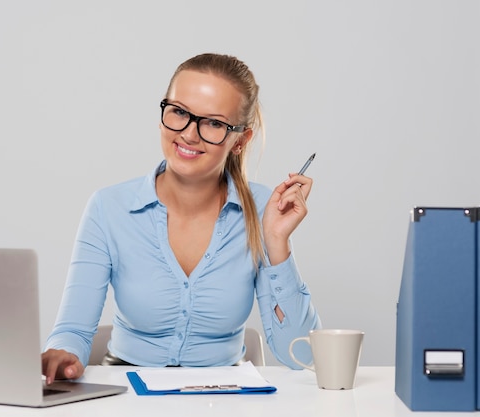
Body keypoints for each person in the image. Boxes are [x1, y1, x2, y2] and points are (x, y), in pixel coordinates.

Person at [42, 52, 321, 384]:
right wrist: (61, 354)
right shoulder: (109, 207)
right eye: (178, 112)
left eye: (214, 123)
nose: (189, 134)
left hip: (225, 394)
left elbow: (304, 357)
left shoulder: (264, 210)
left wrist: (277, 242)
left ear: (239, 140)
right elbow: (72, 330)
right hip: (128, 392)